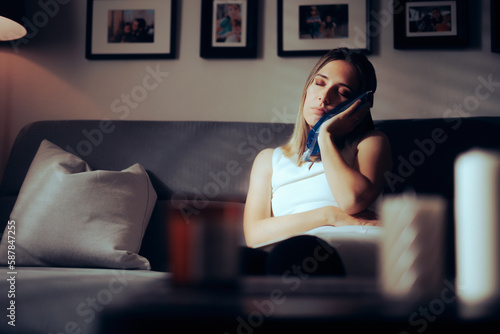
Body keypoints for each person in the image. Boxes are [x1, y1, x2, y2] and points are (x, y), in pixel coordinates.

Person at [242, 48, 392, 276]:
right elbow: (254, 234)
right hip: (283, 253)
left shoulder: (371, 142)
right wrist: (330, 216)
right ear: (307, 89)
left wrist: (325, 136)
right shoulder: (268, 160)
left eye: (342, 92)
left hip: (345, 249)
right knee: (235, 260)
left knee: (297, 254)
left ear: (359, 107)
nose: (324, 97)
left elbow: (352, 200)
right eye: (319, 83)